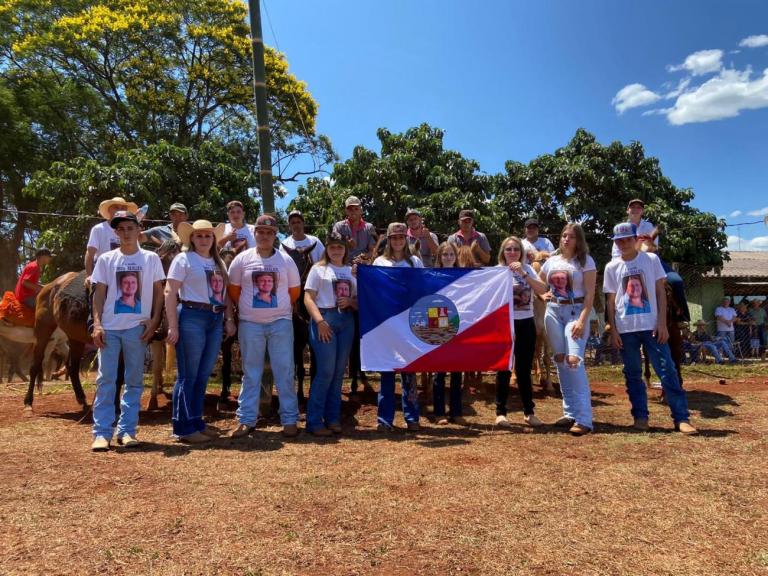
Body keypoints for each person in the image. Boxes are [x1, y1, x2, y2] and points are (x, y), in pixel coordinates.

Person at [604, 222, 697, 435]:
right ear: (616, 243)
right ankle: (640, 417)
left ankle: (681, 418)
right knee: (632, 373)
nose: (624, 243)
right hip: (626, 330)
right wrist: (614, 329)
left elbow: (660, 292)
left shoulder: (651, 259)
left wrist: (663, 323)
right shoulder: (611, 267)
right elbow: (610, 300)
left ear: (636, 239)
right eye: (619, 240)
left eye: (628, 239)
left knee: (667, 370)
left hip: (652, 328)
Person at [90, 211, 165, 451]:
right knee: (106, 381)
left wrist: (154, 322)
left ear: (138, 229)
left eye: (130, 228)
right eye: (120, 229)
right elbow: (99, 293)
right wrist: (98, 323)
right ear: (116, 232)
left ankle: (127, 431)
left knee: (134, 381)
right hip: (110, 328)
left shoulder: (151, 259)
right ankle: (102, 433)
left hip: (137, 329)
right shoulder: (105, 259)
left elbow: (158, 292)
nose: (126, 232)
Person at [228, 214, 302, 439]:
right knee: (251, 373)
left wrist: (277, 310)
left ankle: (289, 419)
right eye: (260, 231)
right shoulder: (242, 259)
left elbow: (294, 291)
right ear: (255, 233)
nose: (264, 236)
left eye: (269, 232)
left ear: (275, 235)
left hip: (280, 323)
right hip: (250, 324)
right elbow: (234, 291)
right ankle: (246, 420)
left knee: (285, 371)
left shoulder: (285, 260)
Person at [539, 223, 596, 436]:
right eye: (563, 235)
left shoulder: (585, 261)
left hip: (575, 312)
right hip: (553, 312)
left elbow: (590, 294)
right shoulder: (551, 262)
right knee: (561, 360)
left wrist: (582, 320)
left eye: (571, 236)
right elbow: (541, 285)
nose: (566, 239)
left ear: (578, 240)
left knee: (574, 361)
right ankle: (570, 412)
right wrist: (535, 289)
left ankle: (584, 419)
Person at [303, 231, 357, 437]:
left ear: (345, 249)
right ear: (327, 248)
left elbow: (359, 299)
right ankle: (314, 420)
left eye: (340, 247)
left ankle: (333, 417)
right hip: (325, 318)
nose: (336, 250)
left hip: (346, 320)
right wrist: (319, 321)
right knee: (325, 371)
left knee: (337, 373)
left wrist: (351, 302)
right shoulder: (319, 269)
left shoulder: (351, 272)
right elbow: (308, 298)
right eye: (332, 246)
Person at [373, 222, 424, 432]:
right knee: (386, 372)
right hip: (386, 324)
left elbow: (423, 287)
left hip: (409, 324)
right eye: (394, 238)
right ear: (388, 239)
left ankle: (412, 417)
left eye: (401, 238)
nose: (397, 241)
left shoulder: (415, 262)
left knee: (409, 373)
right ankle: (385, 420)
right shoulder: (380, 262)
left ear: (406, 239)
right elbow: (373, 289)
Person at [495, 236, 549, 428]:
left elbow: (543, 289)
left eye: (515, 249)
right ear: (503, 252)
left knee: (524, 370)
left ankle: (529, 412)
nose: (512, 253)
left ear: (521, 252)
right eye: (508, 249)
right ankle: (501, 413)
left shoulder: (527, 270)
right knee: (504, 369)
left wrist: (524, 274)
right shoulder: (497, 271)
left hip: (526, 323)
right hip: (505, 325)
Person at [332, 196, 378, 395]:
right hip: (342, 272)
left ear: (361, 210)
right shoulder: (339, 227)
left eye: (356, 209)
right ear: (346, 211)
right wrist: (347, 246)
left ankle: (362, 368)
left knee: (363, 323)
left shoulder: (368, 228)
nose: (352, 212)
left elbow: (374, 250)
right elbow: (334, 245)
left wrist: (364, 258)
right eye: (349, 209)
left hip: (363, 273)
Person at [431, 242, 464, 425]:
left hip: (458, 325)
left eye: (452, 254)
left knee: (457, 371)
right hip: (439, 324)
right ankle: (439, 412)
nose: (449, 257)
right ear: (440, 257)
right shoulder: (432, 276)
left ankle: (456, 411)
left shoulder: (463, 276)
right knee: (439, 372)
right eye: (445, 254)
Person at [85, 196, 138, 287]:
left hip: (126, 271)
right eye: (116, 207)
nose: (120, 210)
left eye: (123, 208)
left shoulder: (131, 230)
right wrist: (89, 275)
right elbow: (90, 254)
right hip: (102, 271)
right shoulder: (99, 229)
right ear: (109, 210)